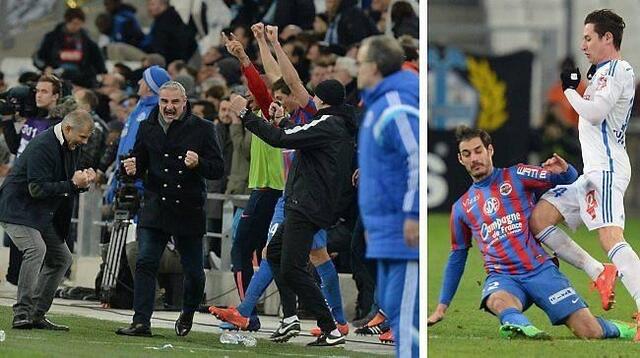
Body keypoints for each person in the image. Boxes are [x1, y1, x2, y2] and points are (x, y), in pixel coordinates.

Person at [428, 125, 637, 343]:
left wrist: (565, 170)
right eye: (467, 154)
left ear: (490, 150)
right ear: (461, 159)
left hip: (540, 270)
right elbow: (457, 256)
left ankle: (622, 329)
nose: (474, 158)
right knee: (497, 300)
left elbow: (566, 178)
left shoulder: (517, 175)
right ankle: (521, 327)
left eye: (478, 150)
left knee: (589, 331)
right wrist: (442, 307)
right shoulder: (461, 208)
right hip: (503, 275)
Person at [528, 9, 640, 340]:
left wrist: (570, 91)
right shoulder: (603, 73)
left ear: (608, 38)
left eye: (589, 37)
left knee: (610, 238)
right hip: (591, 173)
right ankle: (598, 272)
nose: (583, 44)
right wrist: (583, 85)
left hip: (606, 170)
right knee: (540, 218)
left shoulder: (617, 69)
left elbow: (594, 113)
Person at [228, 78, 356, 346]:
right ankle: (293, 318)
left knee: (292, 268)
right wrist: (283, 120)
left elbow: (280, 140)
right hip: (310, 204)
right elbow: (299, 134)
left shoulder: (328, 122)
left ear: (320, 99)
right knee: (273, 253)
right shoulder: (337, 125)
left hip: (305, 205)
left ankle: (329, 327)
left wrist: (245, 115)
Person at [115, 81, 224, 337]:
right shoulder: (147, 126)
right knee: (144, 262)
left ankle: (187, 312)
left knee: (194, 272)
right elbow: (139, 162)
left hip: (188, 208)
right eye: (164, 101)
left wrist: (199, 163)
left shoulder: (204, 128)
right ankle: (141, 321)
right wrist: (129, 167)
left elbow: (218, 168)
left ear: (185, 102)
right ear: (159, 101)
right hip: (155, 206)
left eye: (175, 102)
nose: (169, 107)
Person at [0, 110, 96, 330]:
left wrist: (82, 182)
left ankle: (36, 314)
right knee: (36, 249)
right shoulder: (43, 146)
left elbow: (65, 183)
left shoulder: (71, 144)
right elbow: (36, 188)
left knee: (62, 258)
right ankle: (21, 313)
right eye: (82, 137)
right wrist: (73, 184)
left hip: (40, 213)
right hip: (17, 209)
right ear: (68, 128)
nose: (85, 141)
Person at [356, 35, 419, 356]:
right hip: (386, 228)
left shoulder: (395, 104)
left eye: (361, 63)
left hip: (403, 231)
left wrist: (413, 213)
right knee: (396, 309)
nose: (357, 70)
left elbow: (417, 158)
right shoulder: (381, 102)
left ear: (376, 67)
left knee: (406, 318)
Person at [1, 75, 64, 294]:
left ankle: (31, 290)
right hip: (19, 186)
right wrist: (8, 120)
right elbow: (16, 147)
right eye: (37, 91)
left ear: (56, 96)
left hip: (37, 187)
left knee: (37, 244)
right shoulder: (33, 118)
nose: (38, 95)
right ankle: (15, 280)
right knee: (21, 241)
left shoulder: (57, 124)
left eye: (45, 91)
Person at [34, 7, 107, 88]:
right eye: (74, 23)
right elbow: (38, 56)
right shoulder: (51, 37)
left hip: (81, 76)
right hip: (56, 73)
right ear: (67, 22)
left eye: (79, 24)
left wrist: (103, 72)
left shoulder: (87, 40)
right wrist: (46, 67)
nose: (76, 27)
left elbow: (97, 58)